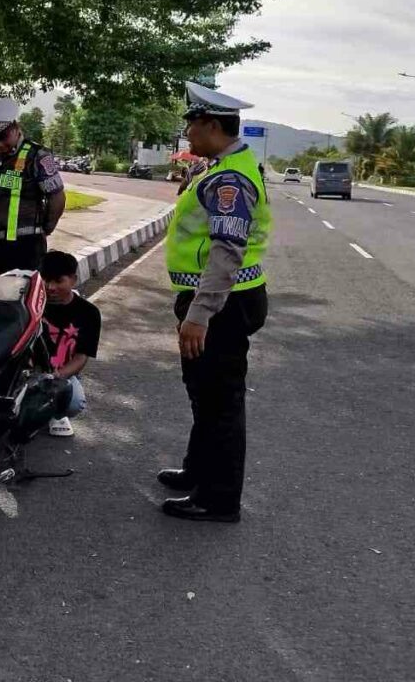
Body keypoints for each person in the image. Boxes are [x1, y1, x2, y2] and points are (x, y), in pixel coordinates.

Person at [158, 81, 271, 523]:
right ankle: (197, 472)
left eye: (191, 123)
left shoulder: (229, 179)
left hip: (222, 305)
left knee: (220, 402)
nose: (186, 131)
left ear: (210, 124)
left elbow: (227, 251)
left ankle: (218, 498)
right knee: (203, 394)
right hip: (218, 300)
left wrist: (200, 314)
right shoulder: (222, 166)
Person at [0, 98, 66, 284]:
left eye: (3, 137)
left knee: (22, 300)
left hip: (27, 245)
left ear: (16, 129)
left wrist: (46, 229)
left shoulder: (38, 155)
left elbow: (57, 196)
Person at [39, 250, 100, 438]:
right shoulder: (31, 305)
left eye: (58, 281)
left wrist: (57, 376)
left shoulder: (89, 313)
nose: (51, 287)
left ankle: (56, 412)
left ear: (73, 279)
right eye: (46, 280)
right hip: (27, 372)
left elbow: (82, 356)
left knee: (73, 404)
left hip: (61, 373)